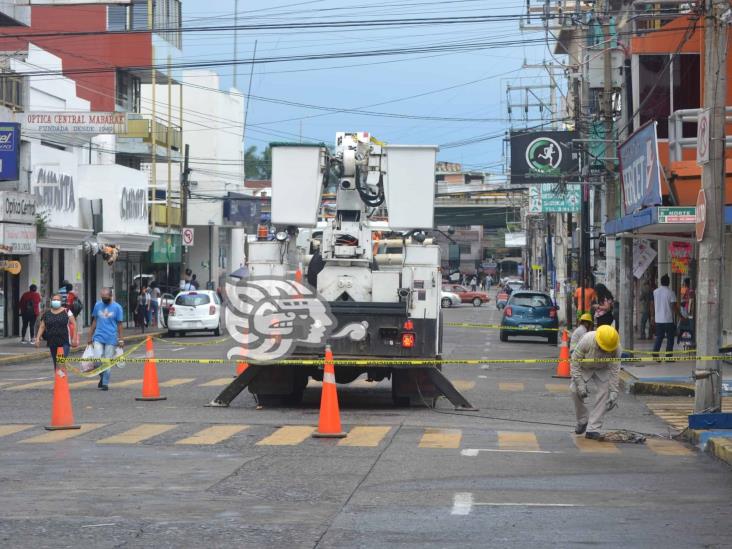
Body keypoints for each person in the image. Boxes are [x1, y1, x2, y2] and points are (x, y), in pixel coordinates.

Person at [570, 324, 622, 439]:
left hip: (603, 368)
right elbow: (575, 362)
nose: (604, 351)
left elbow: (615, 370)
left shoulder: (616, 347)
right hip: (584, 367)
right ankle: (583, 420)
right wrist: (580, 383)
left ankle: (593, 428)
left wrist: (614, 391)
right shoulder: (587, 340)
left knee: (604, 392)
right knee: (574, 390)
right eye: (603, 348)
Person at [88, 288, 124, 391]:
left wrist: (121, 339)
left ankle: (105, 383)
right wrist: (89, 335)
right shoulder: (97, 305)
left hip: (111, 338)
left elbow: (120, 324)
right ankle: (103, 376)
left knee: (107, 361)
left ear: (111, 296)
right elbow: (95, 321)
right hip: (98, 336)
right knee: (97, 360)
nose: (104, 299)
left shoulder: (117, 307)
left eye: (105, 298)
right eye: (102, 297)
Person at [35, 293, 76, 370]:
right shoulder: (47, 314)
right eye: (54, 300)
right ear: (51, 301)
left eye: (57, 300)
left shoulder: (67, 311)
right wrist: (37, 338)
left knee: (60, 362)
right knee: (56, 363)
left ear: (61, 301)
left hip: (64, 341)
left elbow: (74, 323)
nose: (56, 301)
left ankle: (61, 377)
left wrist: (74, 337)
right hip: (52, 342)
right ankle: (58, 379)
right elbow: (42, 326)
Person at [652, 274, 678, 361]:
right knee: (670, 339)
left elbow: (652, 305)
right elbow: (674, 307)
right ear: (668, 282)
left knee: (659, 337)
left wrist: (652, 316)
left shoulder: (655, 292)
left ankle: (655, 354)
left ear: (661, 282)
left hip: (658, 319)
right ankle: (668, 357)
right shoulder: (671, 292)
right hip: (668, 320)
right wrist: (680, 316)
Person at [678, 277, 695, 346]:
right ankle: (687, 340)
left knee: (685, 324)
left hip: (685, 309)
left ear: (685, 283)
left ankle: (686, 339)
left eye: (684, 283)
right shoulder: (691, 290)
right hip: (688, 309)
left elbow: (682, 299)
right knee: (688, 325)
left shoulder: (685, 289)